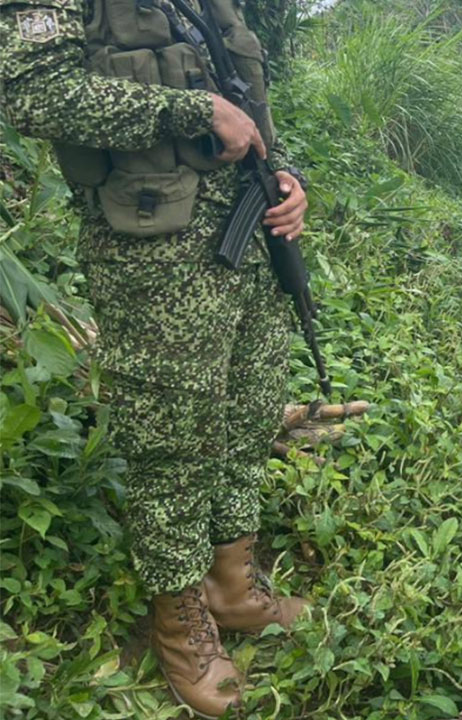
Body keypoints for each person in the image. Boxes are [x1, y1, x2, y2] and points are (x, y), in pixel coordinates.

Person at [1, 3, 310, 716]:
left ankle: (232, 588)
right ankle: (180, 624)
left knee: (246, 411)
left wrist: (287, 177)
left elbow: (245, 98)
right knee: (170, 440)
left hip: (247, 235)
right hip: (151, 252)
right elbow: (34, 94)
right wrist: (186, 110)